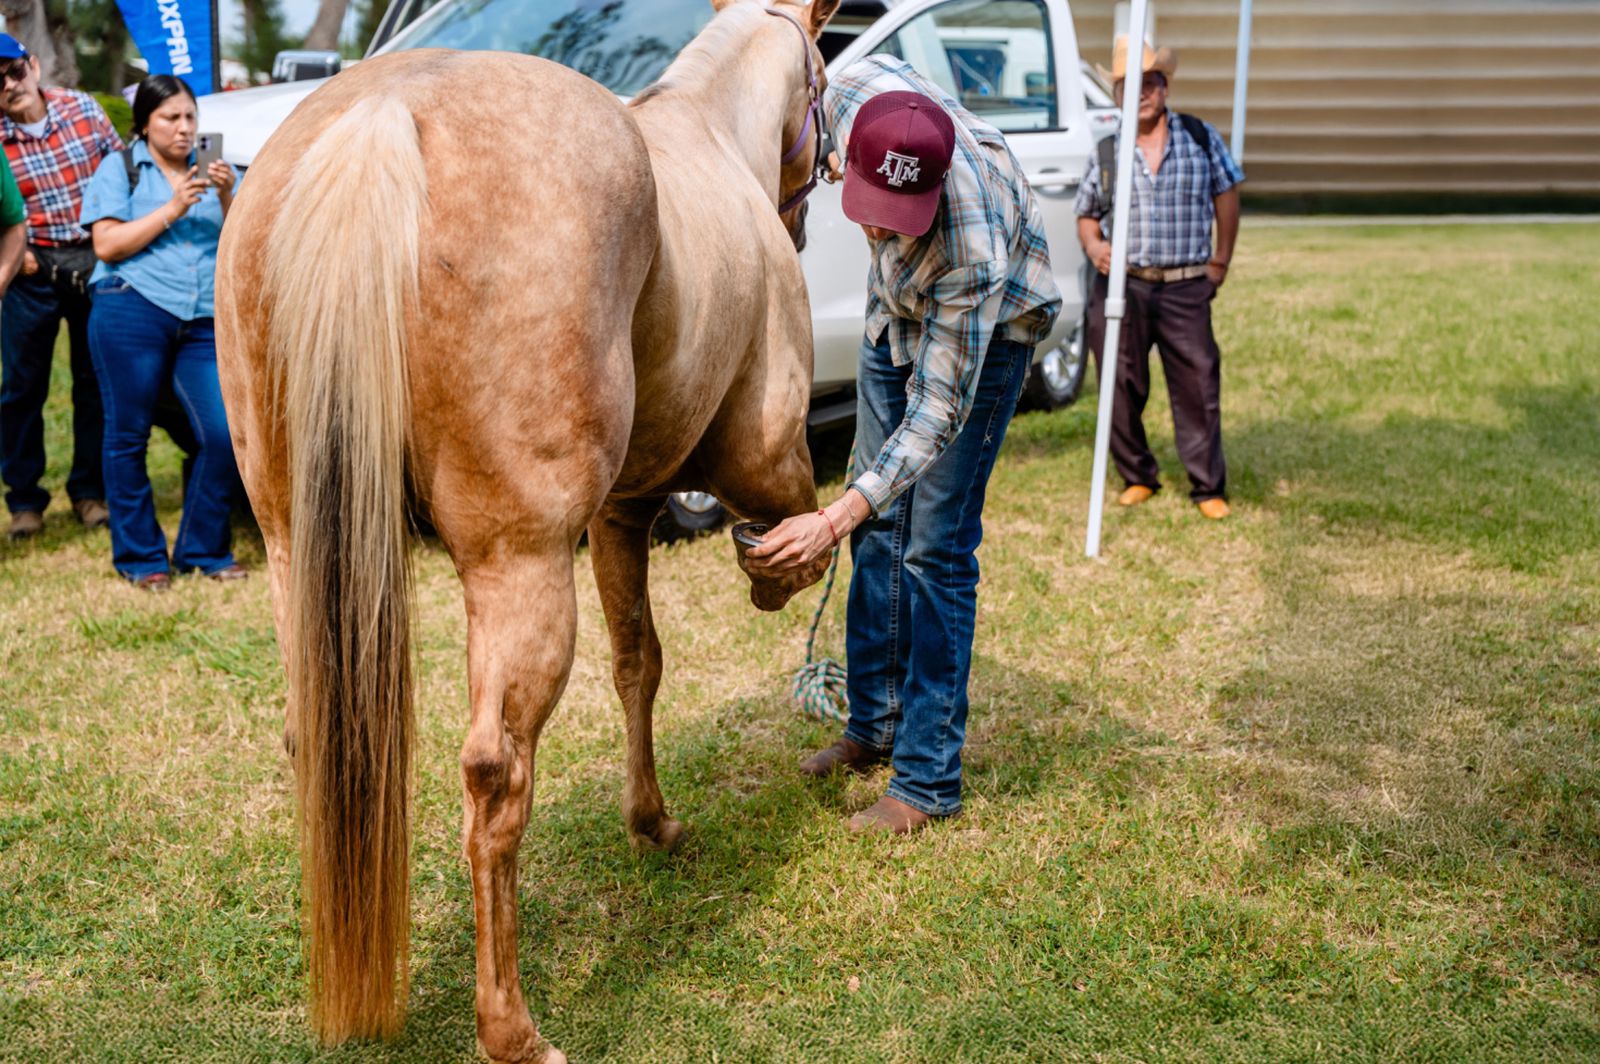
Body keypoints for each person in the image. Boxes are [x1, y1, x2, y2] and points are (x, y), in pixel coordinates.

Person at [745, 56, 1061, 835]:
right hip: (894, 314)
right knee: (880, 531)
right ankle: (874, 725)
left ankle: (926, 780)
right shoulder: (848, 96)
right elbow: (799, 71)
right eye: (871, 208)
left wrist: (832, 516)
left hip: (988, 334)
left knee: (932, 548)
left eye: (899, 215)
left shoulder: (968, 251)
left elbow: (937, 413)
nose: (880, 230)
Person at [80, 75, 244, 590]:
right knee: (127, 436)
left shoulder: (218, 171)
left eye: (190, 117)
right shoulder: (121, 168)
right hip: (132, 305)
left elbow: (245, 241)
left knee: (223, 435)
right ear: (145, 123)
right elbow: (107, 245)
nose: (184, 128)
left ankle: (202, 549)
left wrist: (225, 194)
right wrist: (174, 207)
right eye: (170, 118)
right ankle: (141, 559)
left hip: (203, 317)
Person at [1075, 36, 1244, 521]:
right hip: (1123, 285)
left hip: (1186, 283)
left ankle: (1207, 486)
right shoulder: (1107, 151)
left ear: (1165, 87)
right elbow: (1086, 215)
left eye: (1150, 82)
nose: (1142, 92)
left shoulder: (1200, 137)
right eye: (1130, 85)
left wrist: (1220, 261)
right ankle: (1137, 476)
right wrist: (1094, 247)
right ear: (1117, 95)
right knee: (1118, 381)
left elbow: (1227, 193)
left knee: (1198, 383)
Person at [0, 32, 125, 540]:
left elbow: (122, 171)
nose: (9, 85)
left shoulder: (83, 109)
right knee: (22, 388)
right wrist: (15, 255)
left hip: (94, 260)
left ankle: (90, 492)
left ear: (32, 65)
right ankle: (24, 500)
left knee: (94, 382)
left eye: (13, 71)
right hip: (32, 271)